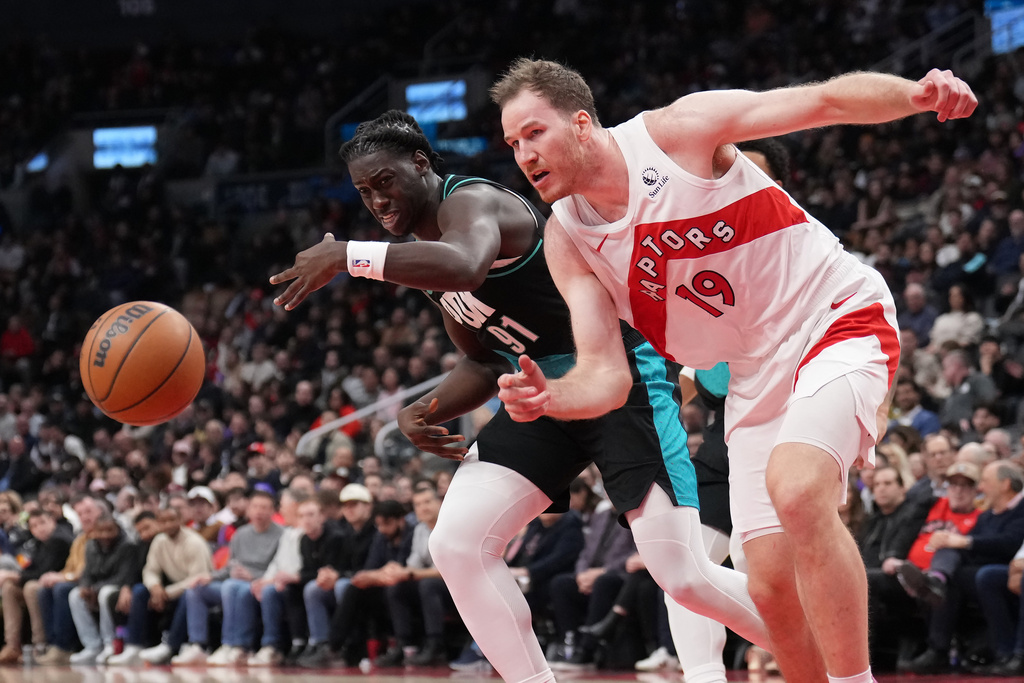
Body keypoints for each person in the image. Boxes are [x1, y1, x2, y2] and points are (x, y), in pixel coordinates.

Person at [491, 57, 976, 683]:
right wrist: (549, 398)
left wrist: (915, 94)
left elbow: (824, 101)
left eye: (535, 133)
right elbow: (607, 377)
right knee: (770, 588)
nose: (524, 154)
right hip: (751, 374)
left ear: (582, 124)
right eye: (512, 143)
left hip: (832, 315)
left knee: (798, 490)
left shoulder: (676, 133)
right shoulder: (568, 239)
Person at [272, 110, 768, 683]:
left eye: (385, 182)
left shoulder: (473, 202)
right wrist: (423, 410)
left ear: (421, 164)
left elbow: (465, 263)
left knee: (682, 574)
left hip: (614, 376)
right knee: (456, 543)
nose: (377, 201)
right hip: (539, 396)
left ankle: (830, 656)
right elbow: (486, 359)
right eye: (364, 192)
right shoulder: (418, 252)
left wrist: (348, 256)